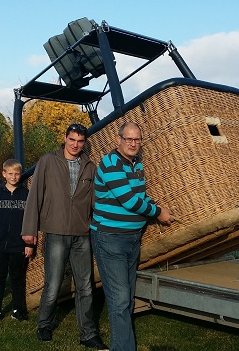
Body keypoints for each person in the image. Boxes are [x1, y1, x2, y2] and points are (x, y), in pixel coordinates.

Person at [21, 124, 108, 350]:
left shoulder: (90, 166)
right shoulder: (48, 161)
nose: (75, 144)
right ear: (65, 138)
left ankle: (88, 334)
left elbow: (95, 201)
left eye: (80, 141)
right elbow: (35, 196)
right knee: (53, 284)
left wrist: (102, 227)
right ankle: (44, 324)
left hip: (82, 234)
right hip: (56, 231)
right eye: (72, 139)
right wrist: (29, 229)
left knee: (86, 286)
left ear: (84, 142)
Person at [91, 122, 174, 351]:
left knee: (126, 297)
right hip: (110, 238)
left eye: (137, 139)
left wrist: (155, 206)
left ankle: (121, 344)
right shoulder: (110, 163)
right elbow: (128, 200)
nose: (133, 143)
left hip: (131, 239)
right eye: (128, 139)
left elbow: (141, 197)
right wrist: (159, 213)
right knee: (119, 299)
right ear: (118, 140)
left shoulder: (137, 164)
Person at [0, 159, 34, 325]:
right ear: (3, 174)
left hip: (18, 245)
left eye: (17, 174)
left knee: (17, 278)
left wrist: (29, 244)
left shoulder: (26, 194)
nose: (13, 177)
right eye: (10, 174)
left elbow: (31, 220)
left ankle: (18, 310)